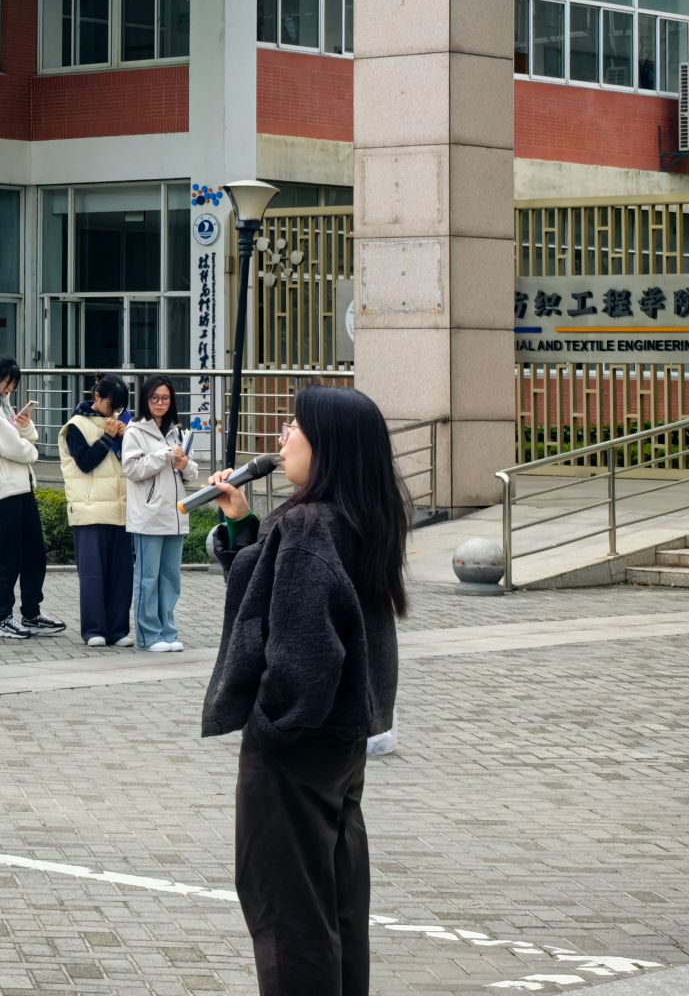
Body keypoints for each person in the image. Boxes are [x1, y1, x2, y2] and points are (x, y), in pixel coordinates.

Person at [202, 385, 406, 996]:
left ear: (329, 445)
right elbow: (276, 589)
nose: (282, 436)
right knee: (334, 903)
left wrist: (274, 722)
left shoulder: (309, 525)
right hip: (342, 740)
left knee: (288, 915)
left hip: (295, 747)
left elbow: (306, 647)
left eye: (295, 426)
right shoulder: (356, 516)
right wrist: (243, 525)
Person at [0, 357, 63, 640]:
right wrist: (30, 449)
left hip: (20, 487)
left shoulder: (2, 406)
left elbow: (25, 438)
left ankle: (31, 612)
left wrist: (26, 430)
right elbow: (14, 447)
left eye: (13, 382)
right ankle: (3, 617)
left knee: (34, 553)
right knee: (8, 556)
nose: (10, 387)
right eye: (6, 381)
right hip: (3, 490)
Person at [121, 375, 196, 654]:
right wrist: (164, 455)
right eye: (155, 398)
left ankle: (168, 631)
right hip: (149, 516)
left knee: (170, 579)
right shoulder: (135, 431)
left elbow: (191, 473)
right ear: (145, 400)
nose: (160, 403)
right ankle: (148, 635)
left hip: (175, 515)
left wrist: (184, 464)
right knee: (148, 578)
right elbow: (131, 469)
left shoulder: (176, 431)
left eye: (165, 398)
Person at [61, 374, 134, 647]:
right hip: (90, 510)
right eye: (109, 405)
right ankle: (94, 630)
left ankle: (118, 630)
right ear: (97, 397)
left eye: (118, 408)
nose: (113, 412)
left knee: (121, 574)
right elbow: (84, 462)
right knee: (93, 574)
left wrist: (126, 438)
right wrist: (108, 437)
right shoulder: (76, 425)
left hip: (121, 509)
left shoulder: (122, 426)